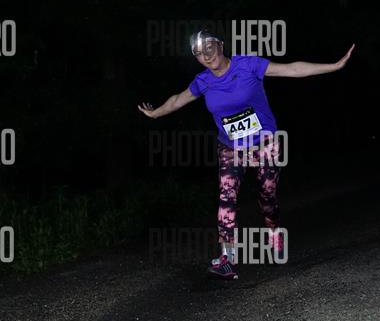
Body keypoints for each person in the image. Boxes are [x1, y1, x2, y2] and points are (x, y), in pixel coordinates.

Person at [139, 30, 355, 278]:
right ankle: (227, 258)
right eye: (198, 53)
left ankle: (273, 229)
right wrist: (155, 113)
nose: (206, 56)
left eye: (208, 48)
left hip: (265, 143)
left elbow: (292, 69)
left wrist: (334, 66)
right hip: (231, 147)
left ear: (220, 45)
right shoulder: (203, 81)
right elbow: (178, 99)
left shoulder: (248, 65)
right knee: (226, 197)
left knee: (267, 196)